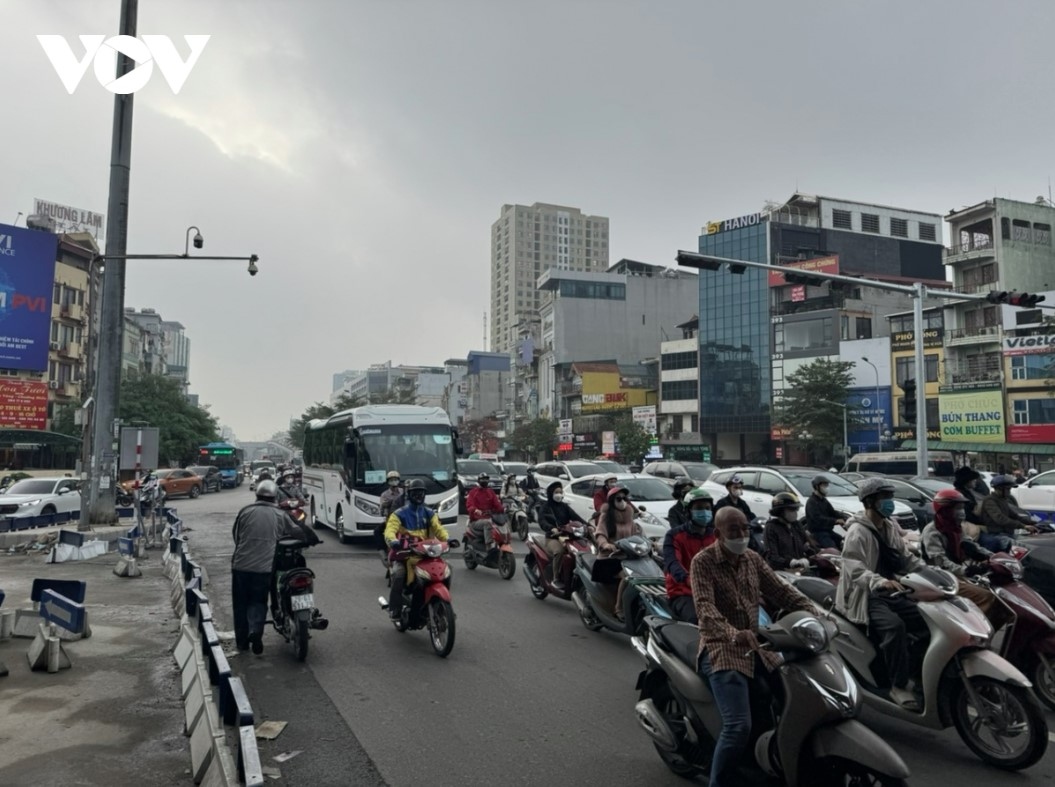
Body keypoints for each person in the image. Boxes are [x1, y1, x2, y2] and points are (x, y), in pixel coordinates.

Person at [690, 507, 815, 787]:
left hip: (758, 643)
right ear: (718, 534)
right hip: (721, 646)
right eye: (734, 530)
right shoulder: (703, 561)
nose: (742, 534)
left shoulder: (752, 559)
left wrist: (814, 612)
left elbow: (781, 591)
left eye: (745, 528)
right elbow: (705, 608)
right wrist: (732, 633)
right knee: (738, 727)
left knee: (793, 698)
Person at [835, 478, 929, 710]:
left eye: (889, 497)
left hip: (892, 590)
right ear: (870, 502)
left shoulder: (888, 527)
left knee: (927, 621)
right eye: (884, 498)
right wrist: (879, 582)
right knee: (894, 627)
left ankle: (916, 673)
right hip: (867, 594)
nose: (889, 502)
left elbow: (905, 558)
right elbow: (854, 567)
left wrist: (931, 572)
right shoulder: (857, 532)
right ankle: (898, 685)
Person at [921, 488, 1013, 631]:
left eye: (962, 507)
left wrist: (995, 557)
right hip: (940, 578)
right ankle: (974, 634)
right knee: (985, 597)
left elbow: (971, 545)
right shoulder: (932, 531)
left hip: (955, 575)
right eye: (957, 508)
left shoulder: (956, 528)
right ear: (945, 509)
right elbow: (940, 561)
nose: (962, 511)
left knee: (1001, 599)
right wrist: (966, 570)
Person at [231, 480, 299, 654]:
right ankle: (255, 631)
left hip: (240, 566)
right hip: (263, 568)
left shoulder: (245, 511)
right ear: (275, 497)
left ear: (257, 495)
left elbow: (237, 537)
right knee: (258, 601)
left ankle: (242, 643)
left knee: (240, 605)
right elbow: (295, 531)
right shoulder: (279, 514)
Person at [384, 479, 453, 619]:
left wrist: (447, 539)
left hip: (426, 553)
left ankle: (442, 606)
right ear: (409, 495)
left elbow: (439, 529)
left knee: (447, 569)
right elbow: (389, 530)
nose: (419, 496)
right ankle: (394, 609)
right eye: (415, 493)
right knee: (399, 575)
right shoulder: (399, 513)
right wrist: (393, 540)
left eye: (421, 493)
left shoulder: (429, 512)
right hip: (404, 553)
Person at [662, 487, 716, 623]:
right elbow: (672, 563)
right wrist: (688, 579)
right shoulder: (675, 535)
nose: (704, 511)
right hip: (685, 592)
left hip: (714, 590)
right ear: (688, 511)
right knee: (698, 620)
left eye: (707, 508)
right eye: (699, 508)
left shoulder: (716, 535)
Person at [595, 485, 643, 619]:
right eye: (618, 498)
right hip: (609, 558)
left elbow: (639, 534)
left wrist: (651, 544)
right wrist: (605, 544)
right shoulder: (605, 517)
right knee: (627, 577)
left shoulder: (630, 518)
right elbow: (600, 534)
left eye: (624, 498)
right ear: (612, 501)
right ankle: (619, 608)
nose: (622, 501)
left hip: (628, 557)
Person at [537, 481, 588, 585]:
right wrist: (551, 528)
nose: (559, 494)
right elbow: (542, 521)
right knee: (559, 551)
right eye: (556, 492)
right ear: (551, 493)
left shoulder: (564, 506)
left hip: (567, 536)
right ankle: (555, 578)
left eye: (560, 492)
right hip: (552, 538)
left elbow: (576, 517)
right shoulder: (546, 507)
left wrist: (588, 525)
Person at [980, 474, 1037, 552]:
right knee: (1022, 549)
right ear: (999, 489)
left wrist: (1032, 523)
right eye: (1008, 489)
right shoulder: (990, 501)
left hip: (1006, 533)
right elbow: (1000, 518)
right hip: (997, 534)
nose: (1009, 492)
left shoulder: (1002, 500)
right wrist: (1023, 526)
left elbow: (1014, 515)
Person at [762, 492, 815, 572]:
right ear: (780, 511)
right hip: (782, 572)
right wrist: (791, 562)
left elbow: (808, 545)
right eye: (791, 510)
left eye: (796, 509)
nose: (795, 513)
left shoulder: (796, 525)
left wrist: (815, 555)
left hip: (801, 569)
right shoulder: (771, 528)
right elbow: (772, 557)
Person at [804, 474, 845, 549]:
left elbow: (833, 512)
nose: (827, 488)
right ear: (817, 486)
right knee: (833, 549)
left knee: (844, 542)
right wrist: (835, 521)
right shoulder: (811, 502)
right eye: (824, 485)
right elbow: (818, 519)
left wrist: (845, 518)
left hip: (828, 531)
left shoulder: (824, 500)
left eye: (827, 485)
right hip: (818, 533)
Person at [465, 473, 505, 549]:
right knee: (487, 523)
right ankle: (488, 547)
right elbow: (469, 505)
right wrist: (475, 510)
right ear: (479, 481)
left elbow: (497, 504)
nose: (485, 481)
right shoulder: (473, 492)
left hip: (490, 518)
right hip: (476, 520)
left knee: (502, 524)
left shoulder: (490, 492)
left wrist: (503, 509)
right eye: (483, 479)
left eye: (486, 479)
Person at [953, 466, 987, 532]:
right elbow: (967, 515)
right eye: (973, 479)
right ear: (967, 481)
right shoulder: (961, 495)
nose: (975, 481)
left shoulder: (968, 492)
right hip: (968, 528)